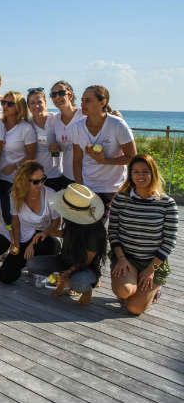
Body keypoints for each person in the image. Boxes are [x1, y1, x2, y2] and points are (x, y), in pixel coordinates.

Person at [109, 154, 178, 315]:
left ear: (153, 173)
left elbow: (169, 241)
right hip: (127, 259)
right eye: (136, 172)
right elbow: (113, 232)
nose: (140, 176)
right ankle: (134, 283)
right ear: (130, 175)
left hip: (153, 261)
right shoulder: (120, 198)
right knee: (124, 292)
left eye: (145, 172)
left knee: (134, 308)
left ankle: (156, 286)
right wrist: (121, 258)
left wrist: (151, 270)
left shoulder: (167, 204)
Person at [27, 183, 107, 305]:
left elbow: (86, 261)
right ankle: (67, 281)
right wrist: (47, 233)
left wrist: (68, 274)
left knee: (79, 283)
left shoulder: (95, 230)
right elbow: (66, 233)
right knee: (32, 264)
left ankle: (87, 288)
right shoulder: (72, 219)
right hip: (64, 259)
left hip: (85, 267)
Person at [73, 85, 136, 211]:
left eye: (88, 100)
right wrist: (80, 187)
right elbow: (77, 161)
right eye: (82, 100)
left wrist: (105, 161)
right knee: (86, 227)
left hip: (113, 189)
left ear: (103, 102)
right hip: (88, 187)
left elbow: (132, 158)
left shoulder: (117, 125)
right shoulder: (77, 127)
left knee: (107, 228)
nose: (83, 104)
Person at [0, 161, 61, 284]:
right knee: (5, 277)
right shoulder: (14, 195)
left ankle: (37, 265)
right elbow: (15, 221)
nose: (41, 184)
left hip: (44, 237)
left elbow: (56, 221)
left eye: (43, 179)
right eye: (36, 182)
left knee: (46, 244)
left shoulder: (51, 194)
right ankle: (30, 264)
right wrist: (16, 244)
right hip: (24, 237)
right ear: (24, 181)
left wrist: (42, 235)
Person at [0, 91, 36, 223]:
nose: (5, 106)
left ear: (19, 107)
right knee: (2, 215)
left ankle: (16, 243)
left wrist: (15, 166)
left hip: (16, 179)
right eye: (3, 102)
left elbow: (31, 156)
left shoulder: (25, 128)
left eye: (10, 104)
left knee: (14, 216)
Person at [27, 88, 65, 191]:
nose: (36, 106)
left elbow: (68, 140)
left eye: (39, 102)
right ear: (28, 107)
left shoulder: (56, 119)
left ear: (45, 103)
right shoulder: (27, 124)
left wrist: (59, 146)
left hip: (56, 175)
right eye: (32, 103)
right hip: (35, 177)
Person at [48, 80, 83, 187]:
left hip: (88, 176)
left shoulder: (84, 115)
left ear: (70, 95)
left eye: (61, 93)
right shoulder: (55, 120)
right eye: (53, 95)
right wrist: (55, 147)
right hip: (67, 175)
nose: (57, 97)